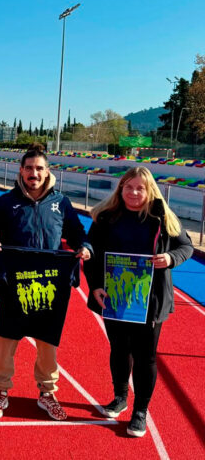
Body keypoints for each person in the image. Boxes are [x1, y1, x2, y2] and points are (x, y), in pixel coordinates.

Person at [0, 143, 92, 421]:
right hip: (14, 283)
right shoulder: (6, 202)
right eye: (29, 168)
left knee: (47, 342)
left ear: (47, 171)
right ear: (21, 170)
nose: (34, 173)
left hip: (49, 285)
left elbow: (77, 232)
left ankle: (47, 393)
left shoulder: (61, 203)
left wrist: (85, 247)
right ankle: (1, 390)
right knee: (6, 340)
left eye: (39, 168)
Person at [85, 166, 193, 437]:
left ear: (150, 191)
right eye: (129, 187)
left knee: (145, 356)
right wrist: (95, 285)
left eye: (140, 188)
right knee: (119, 349)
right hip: (115, 296)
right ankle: (120, 396)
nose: (134, 193)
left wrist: (170, 258)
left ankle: (140, 411)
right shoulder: (106, 216)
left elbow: (186, 246)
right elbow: (92, 253)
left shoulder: (163, 217)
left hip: (150, 300)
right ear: (121, 188)